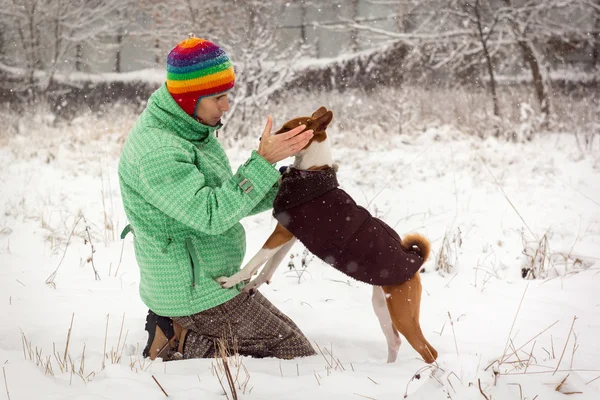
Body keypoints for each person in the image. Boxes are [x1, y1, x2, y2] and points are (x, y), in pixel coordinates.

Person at [118, 36, 316, 361]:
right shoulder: (158, 152)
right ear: (187, 98)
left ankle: (171, 323)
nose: (227, 106)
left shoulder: (190, 128)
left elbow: (229, 197)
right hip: (196, 292)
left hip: (212, 279)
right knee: (295, 353)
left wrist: (298, 183)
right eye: (219, 98)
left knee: (290, 336)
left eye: (227, 95)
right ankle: (178, 338)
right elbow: (211, 215)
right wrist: (262, 162)